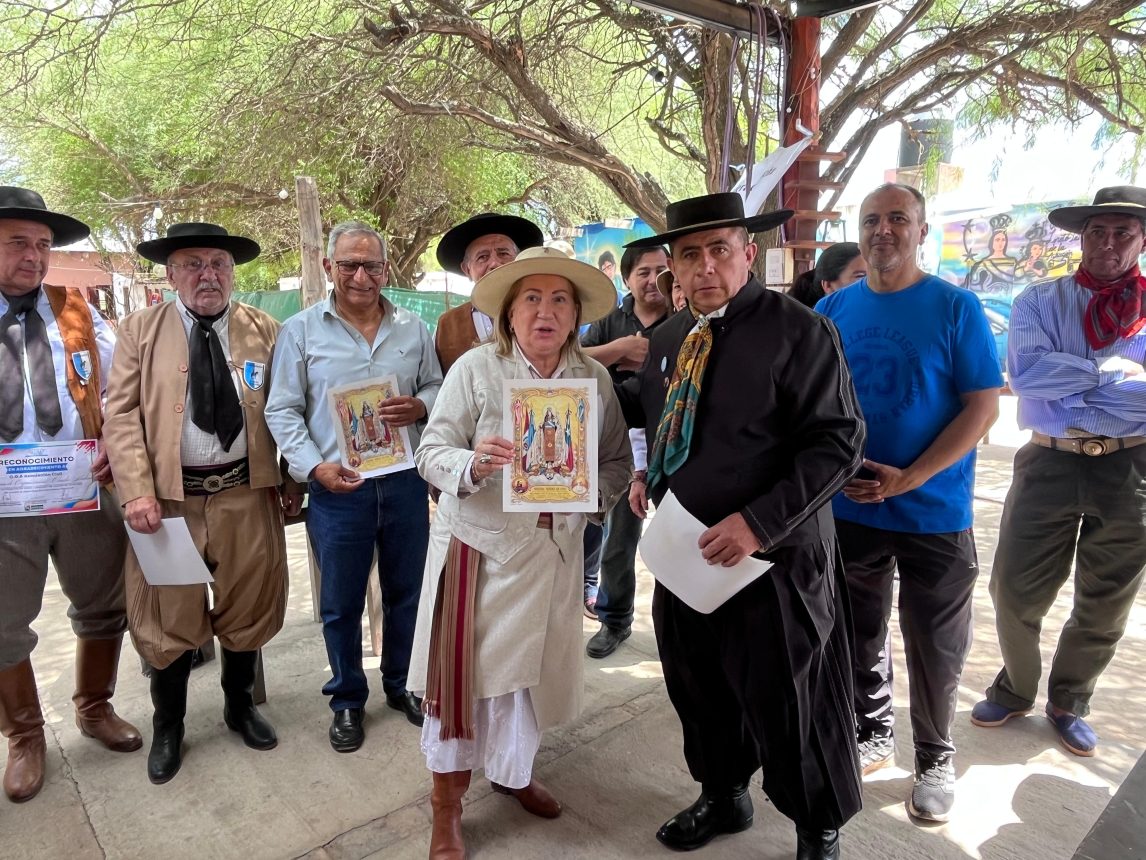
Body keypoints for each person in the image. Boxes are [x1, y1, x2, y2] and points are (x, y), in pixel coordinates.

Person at [620, 192, 865, 860]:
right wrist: (648, 479)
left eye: (719, 250)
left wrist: (757, 524)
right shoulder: (669, 339)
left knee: (789, 697)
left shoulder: (799, 330)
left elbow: (838, 442)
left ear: (748, 254)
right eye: (690, 254)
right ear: (672, 264)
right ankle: (723, 794)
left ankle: (818, 824)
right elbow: (662, 426)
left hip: (773, 560)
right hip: (686, 557)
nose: (706, 267)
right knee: (697, 685)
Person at [408, 246, 631, 858]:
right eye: (531, 298)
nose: (545, 312)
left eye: (560, 299)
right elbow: (431, 451)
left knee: (528, 683)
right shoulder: (475, 371)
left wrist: (592, 498)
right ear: (509, 313)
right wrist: (475, 463)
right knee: (466, 684)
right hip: (481, 555)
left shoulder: (594, 379)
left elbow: (614, 461)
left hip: (555, 556)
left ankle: (514, 773)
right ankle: (446, 807)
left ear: (577, 314)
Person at [816, 183, 1003, 823]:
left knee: (935, 645)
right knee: (857, 634)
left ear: (922, 230)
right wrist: (831, 474)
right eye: (872, 220)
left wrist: (911, 477)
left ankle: (933, 754)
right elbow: (815, 407)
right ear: (858, 231)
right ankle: (873, 732)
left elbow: (983, 408)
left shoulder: (956, 307)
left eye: (899, 218)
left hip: (933, 515)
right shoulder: (834, 308)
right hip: (850, 512)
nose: (884, 230)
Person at [103, 222, 300, 784]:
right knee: (169, 618)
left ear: (233, 272)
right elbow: (119, 417)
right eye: (193, 264)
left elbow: (289, 409)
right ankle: (170, 726)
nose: (207, 274)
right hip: (168, 505)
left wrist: (291, 478)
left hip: (245, 494)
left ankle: (240, 708)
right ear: (171, 275)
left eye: (218, 263)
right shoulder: (139, 330)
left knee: (248, 605)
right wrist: (136, 490)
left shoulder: (266, 330)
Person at [971, 186, 1146, 757]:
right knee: (1013, 590)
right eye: (1098, 231)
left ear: (1141, 240)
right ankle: (1017, 687)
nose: (1109, 243)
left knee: (1107, 599)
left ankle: (1070, 699)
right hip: (1049, 458)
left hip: (1133, 466)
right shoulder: (1037, 301)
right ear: (1082, 237)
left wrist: (1074, 374)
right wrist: (1115, 374)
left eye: (1123, 232)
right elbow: (1027, 378)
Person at [265, 221, 443, 752]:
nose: (360, 276)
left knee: (407, 593)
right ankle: (346, 699)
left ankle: (401, 686)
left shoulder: (413, 328)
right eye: (349, 265)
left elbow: (435, 383)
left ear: (387, 269)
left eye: (371, 265)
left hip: (405, 481)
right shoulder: (299, 331)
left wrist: (421, 406)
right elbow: (282, 409)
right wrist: (313, 468)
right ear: (329, 268)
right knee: (341, 603)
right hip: (339, 488)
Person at [0, 187, 142, 803]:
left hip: (82, 483)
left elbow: (117, 390)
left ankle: (95, 708)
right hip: (5, 500)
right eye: (17, 244)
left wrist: (113, 436)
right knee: (3, 624)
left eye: (42, 245)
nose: (34, 257)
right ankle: (26, 736)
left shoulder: (75, 309)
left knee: (102, 603)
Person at [580, 244, 670, 657]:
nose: (654, 281)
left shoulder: (684, 316)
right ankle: (615, 620)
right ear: (627, 278)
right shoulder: (608, 320)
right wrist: (620, 350)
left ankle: (681, 626)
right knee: (618, 537)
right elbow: (575, 360)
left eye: (662, 271)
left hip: (672, 446)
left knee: (677, 539)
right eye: (645, 272)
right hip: (618, 445)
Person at [432, 213, 544, 373]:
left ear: (519, 261)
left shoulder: (545, 316)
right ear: (467, 270)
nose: (495, 263)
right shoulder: (446, 327)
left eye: (503, 254)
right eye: (483, 257)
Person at [788, 243, 868, 308]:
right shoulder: (811, 325)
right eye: (860, 276)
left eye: (874, 275)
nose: (872, 282)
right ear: (828, 285)